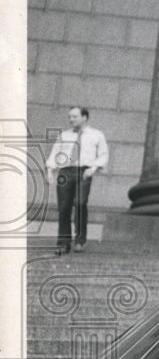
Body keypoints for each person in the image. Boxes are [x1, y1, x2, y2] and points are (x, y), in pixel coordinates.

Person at [45, 106, 109, 255]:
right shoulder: (64, 135)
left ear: (84, 117)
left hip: (84, 172)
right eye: (70, 117)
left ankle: (80, 241)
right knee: (64, 207)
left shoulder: (96, 135)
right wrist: (50, 170)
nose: (71, 119)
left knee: (80, 203)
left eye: (74, 116)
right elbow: (56, 153)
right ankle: (63, 243)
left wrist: (93, 169)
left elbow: (103, 155)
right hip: (65, 172)